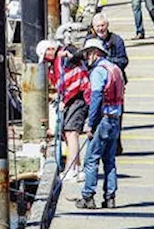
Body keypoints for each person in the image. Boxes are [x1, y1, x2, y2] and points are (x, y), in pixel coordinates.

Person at [73, 38, 126, 210]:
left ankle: (88, 196)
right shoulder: (115, 69)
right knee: (109, 160)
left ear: (95, 53)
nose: (86, 57)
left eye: (88, 54)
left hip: (102, 120)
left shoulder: (98, 72)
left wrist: (90, 124)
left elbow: (96, 98)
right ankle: (110, 197)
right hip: (115, 119)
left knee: (91, 159)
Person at [43, 41, 89, 183]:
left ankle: (71, 169)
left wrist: (64, 99)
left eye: (45, 56)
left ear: (50, 50)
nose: (45, 60)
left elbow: (73, 81)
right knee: (66, 132)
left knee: (71, 132)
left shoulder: (64, 57)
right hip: (71, 99)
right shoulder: (56, 62)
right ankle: (78, 168)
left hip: (78, 98)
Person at [89, 12, 129, 79]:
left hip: (114, 77)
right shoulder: (90, 41)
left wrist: (105, 61)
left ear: (107, 25)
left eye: (102, 25)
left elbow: (123, 61)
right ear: (93, 27)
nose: (100, 29)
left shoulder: (117, 40)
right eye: (97, 26)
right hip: (95, 77)